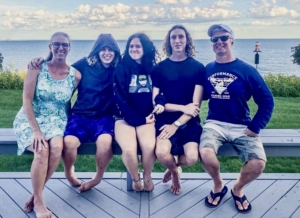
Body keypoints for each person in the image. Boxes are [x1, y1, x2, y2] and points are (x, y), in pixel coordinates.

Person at [27, 33, 120, 194]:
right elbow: (62, 68)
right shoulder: (84, 65)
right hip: (80, 116)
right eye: (103, 49)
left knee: (105, 143)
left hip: (104, 117)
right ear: (96, 51)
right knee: (69, 143)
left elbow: (138, 66)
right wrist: (40, 60)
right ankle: (69, 172)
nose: (107, 53)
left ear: (116, 53)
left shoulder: (119, 67)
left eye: (111, 50)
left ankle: (97, 177)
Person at [199, 24, 274, 213]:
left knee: (258, 163)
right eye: (214, 40)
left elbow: (267, 100)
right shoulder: (207, 70)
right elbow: (198, 96)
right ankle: (218, 185)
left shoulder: (246, 70)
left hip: (241, 125)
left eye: (223, 38)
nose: (219, 42)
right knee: (206, 154)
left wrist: (256, 126)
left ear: (231, 41)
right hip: (214, 124)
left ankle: (237, 188)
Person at [13, 32, 81, 218]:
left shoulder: (75, 75)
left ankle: (35, 195)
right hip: (31, 118)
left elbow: (72, 102)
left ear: (69, 48)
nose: (61, 48)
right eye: (57, 44)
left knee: (57, 147)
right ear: (50, 46)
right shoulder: (37, 67)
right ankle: (40, 203)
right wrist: (36, 130)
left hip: (57, 120)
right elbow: (26, 100)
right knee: (42, 150)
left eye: (65, 45)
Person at [152, 25, 206, 195]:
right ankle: (175, 172)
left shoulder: (198, 67)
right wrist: (183, 107)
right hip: (164, 120)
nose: (177, 41)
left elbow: (195, 107)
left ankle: (174, 166)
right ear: (168, 41)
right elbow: (157, 103)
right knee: (161, 152)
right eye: (173, 37)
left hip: (188, 122)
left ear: (187, 40)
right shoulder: (159, 68)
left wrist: (176, 124)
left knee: (191, 158)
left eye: (181, 37)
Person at [113, 33, 164, 192]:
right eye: (131, 46)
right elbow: (119, 99)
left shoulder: (153, 68)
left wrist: (160, 103)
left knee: (149, 146)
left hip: (147, 117)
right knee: (129, 149)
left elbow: (161, 91)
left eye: (138, 46)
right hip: (124, 118)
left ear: (145, 48)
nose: (134, 49)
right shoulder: (121, 68)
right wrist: (138, 120)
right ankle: (136, 178)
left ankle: (147, 176)